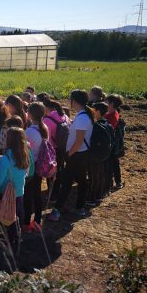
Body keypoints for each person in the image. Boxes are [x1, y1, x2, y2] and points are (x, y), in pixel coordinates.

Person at [48, 90, 93, 221]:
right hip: (82, 154)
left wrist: (69, 154)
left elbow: (79, 141)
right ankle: (80, 208)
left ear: (74, 101)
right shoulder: (84, 115)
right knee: (81, 180)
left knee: (66, 182)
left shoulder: (82, 118)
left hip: (76, 154)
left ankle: (57, 210)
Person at [0, 127, 32, 257]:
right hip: (19, 193)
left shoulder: (6, 159)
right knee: (14, 219)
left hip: (4, 194)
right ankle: (15, 244)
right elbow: (26, 173)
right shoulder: (26, 154)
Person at [23, 102, 49, 233]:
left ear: (30, 114)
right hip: (39, 166)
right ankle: (38, 222)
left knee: (27, 196)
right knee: (37, 195)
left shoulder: (29, 132)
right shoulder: (44, 128)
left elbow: (26, 151)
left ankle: (27, 223)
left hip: (30, 168)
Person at [43, 99, 71, 202]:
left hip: (52, 149)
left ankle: (52, 194)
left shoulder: (47, 120)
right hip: (63, 147)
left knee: (51, 170)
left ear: (47, 108)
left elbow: (46, 137)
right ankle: (58, 190)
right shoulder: (65, 117)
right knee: (60, 168)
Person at [88, 102, 114, 205]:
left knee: (94, 177)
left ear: (97, 111)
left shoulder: (96, 126)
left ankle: (92, 198)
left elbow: (92, 142)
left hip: (95, 156)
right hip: (106, 154)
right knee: (101, 174)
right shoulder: (108, 124)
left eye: (93, 110)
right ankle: (99, 195)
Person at [105, 94, 124, 190]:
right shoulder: (114, 113)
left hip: (111, 145)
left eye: (106, 102)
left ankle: (109, 185)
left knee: (110, 165)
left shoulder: (110, 117)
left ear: (112, 104)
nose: (104, 104)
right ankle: (118, 182)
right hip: (114, 144)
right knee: (115, 164)